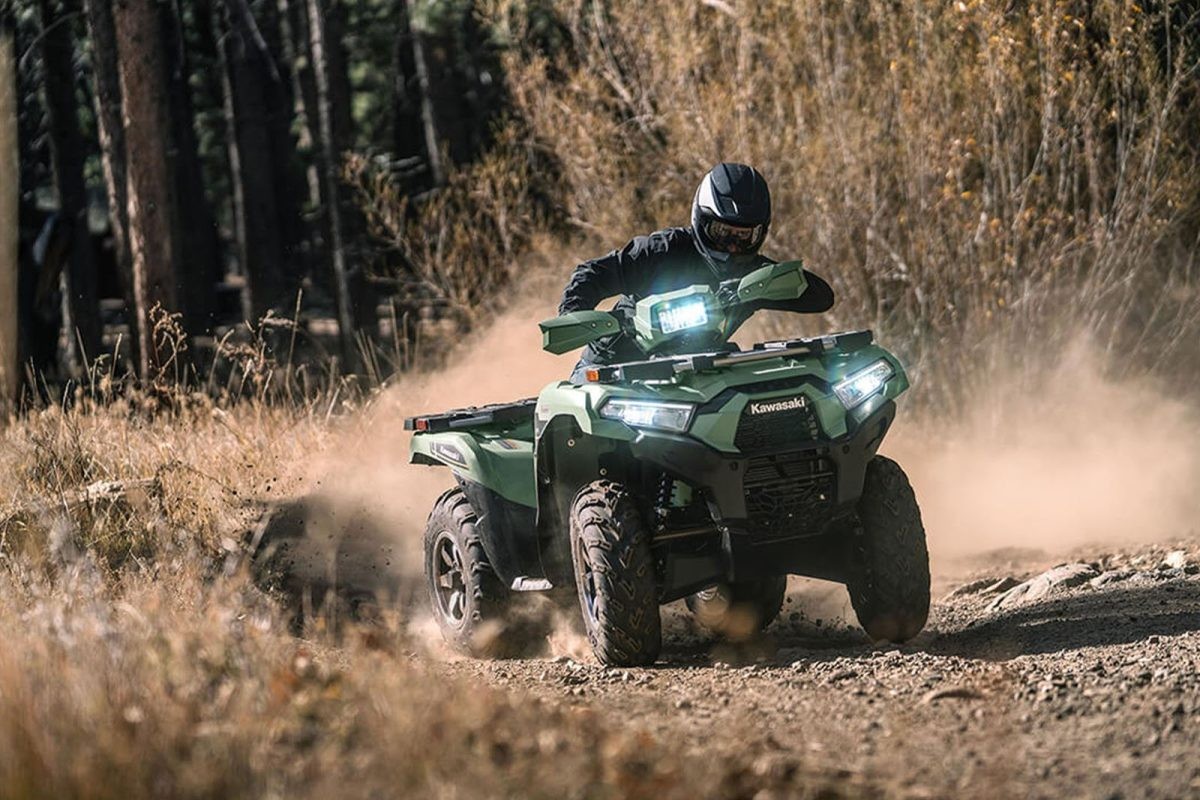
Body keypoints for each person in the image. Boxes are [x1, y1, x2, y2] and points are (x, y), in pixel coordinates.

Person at [559, 162, 834, 378]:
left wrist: (758, 286)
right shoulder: (662, 250)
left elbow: (821, 297)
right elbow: (592, 275)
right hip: (614, 370)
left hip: (695, 376)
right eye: (723, 232)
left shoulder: (752, 275)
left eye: (744, 236)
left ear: (760, 234)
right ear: (701, 220)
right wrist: (574, 316)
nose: (733, 246)